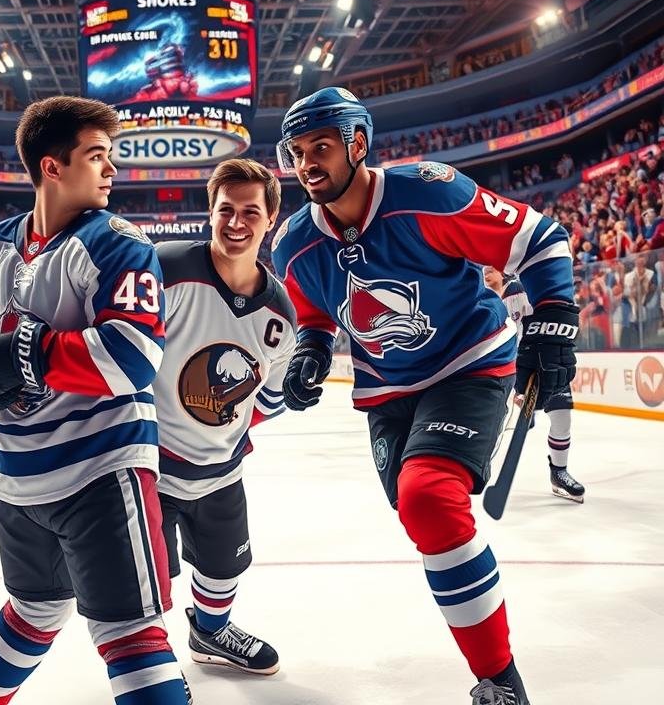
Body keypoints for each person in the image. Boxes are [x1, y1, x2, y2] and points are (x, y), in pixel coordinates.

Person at [270, 87, 577, 705]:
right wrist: (308, 347)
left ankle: (500, 681)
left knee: (430, 498)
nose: (307, 163)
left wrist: (554, 314)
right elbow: (313, 308)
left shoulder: (428, 193)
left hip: (469, 362)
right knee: (421, 511)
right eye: (297, 151)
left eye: (322, 147)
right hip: (387, 389)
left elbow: (541, 238)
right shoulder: (292, 243)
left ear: (358, 143)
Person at [0, 96, 190, 705]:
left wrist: (21, 353)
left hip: (101, 469)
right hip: (16, 479)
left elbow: (134, 357)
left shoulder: (119, 243)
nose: (112, 171)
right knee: (33, 611)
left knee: (127, 629)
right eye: (98, 156)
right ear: (52, 167)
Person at [153, 158, 294, 676]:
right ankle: (147, 657)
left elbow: (268, 401)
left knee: (224, 566)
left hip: (222, 470)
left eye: (250, 212)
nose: (236, 222)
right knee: (148, 575)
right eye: (225, 210)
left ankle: (210, 634)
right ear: (209, 213)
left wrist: (288, 394)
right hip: (150, 465)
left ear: (271, 219)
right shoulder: (164, 267)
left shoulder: (280, 313)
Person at [483, 266, 585, 502]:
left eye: (492, 266)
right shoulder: (499, 296)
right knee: (497, 419)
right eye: (484, 267)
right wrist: (519, 384)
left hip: (546, 362)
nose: (487, 270)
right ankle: (478, 464)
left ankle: (559, 472)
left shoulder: (522, 288)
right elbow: (505, 340)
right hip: (518, 367)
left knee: (561, 416)